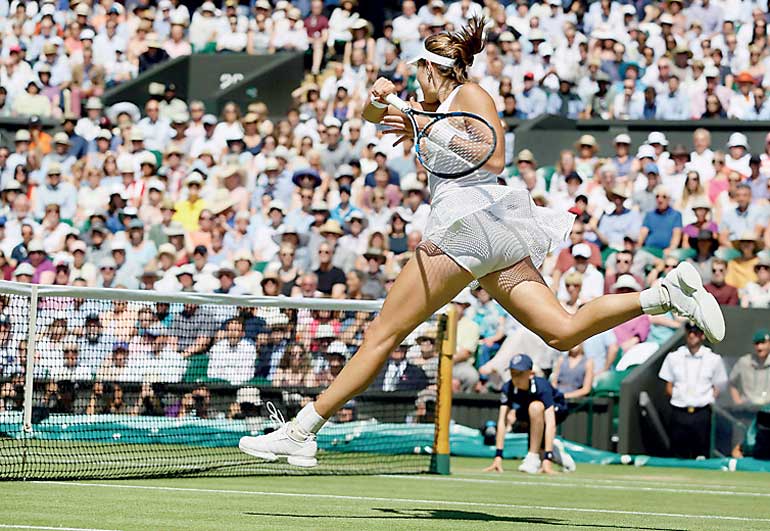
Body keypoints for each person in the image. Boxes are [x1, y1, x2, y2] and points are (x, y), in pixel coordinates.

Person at [238, 17, 725, 468]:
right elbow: (372, 116)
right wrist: (380, 96)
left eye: (419, 70)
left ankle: (302, 431)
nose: (416, 79)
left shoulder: (470, 94)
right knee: (562, 330)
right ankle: (664, 295)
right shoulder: (432, 105)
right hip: (495, 234)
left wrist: (419, 120)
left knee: (381, 336)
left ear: (433, 69)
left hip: (468, 227)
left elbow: (491, 158)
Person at [484, 354, 575, 474]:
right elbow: (502, 421)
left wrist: (547, 461)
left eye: (520, 373)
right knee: (521, 414)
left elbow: (551, 423)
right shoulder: (508, 388)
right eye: (513, 373)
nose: (515, 378)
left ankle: (535, 456)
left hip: (557, 409)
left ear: (531, 374)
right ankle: (551, 452)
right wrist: (498, 457)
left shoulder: (542, 386)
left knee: (535, 407)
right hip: (528, 410)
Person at [658, 323, 728, 459]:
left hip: (702, 412)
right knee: (678, 455)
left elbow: (718, 386)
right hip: (679, 411)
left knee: (701, 455)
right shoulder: (674, 357)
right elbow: (668, 385)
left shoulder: (713, 359)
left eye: (695, 332)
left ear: (702, 335)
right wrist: (680, 397)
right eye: (689, 331)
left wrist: (705, 400)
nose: (691, 335)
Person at [729, 328, 770, 406]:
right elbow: (732, 382)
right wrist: (738, 402)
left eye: (763, 343)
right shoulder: (744, 362)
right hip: (748, 410)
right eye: (757, 343)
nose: (760, 347)